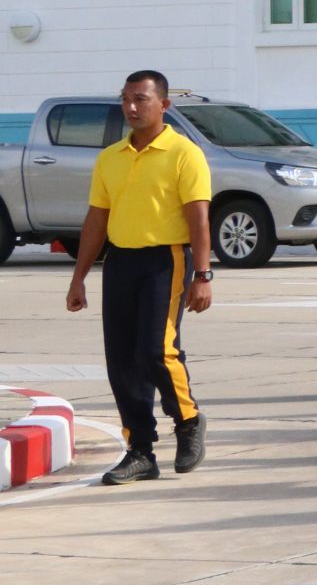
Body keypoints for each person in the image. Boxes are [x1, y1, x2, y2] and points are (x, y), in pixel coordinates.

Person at [65, 71, 214, 485]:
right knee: (122, 361)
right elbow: (97, 218)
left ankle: (188, 420)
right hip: (121, 264)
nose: (132, 107)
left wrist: (203, 275)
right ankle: (140, 451)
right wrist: (79, 277)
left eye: (141, 99)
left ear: (163, 105)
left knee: (156, 349)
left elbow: (198, 218)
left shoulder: (184, 153)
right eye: (126, 99)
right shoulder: (110, 157)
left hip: (166, 261)